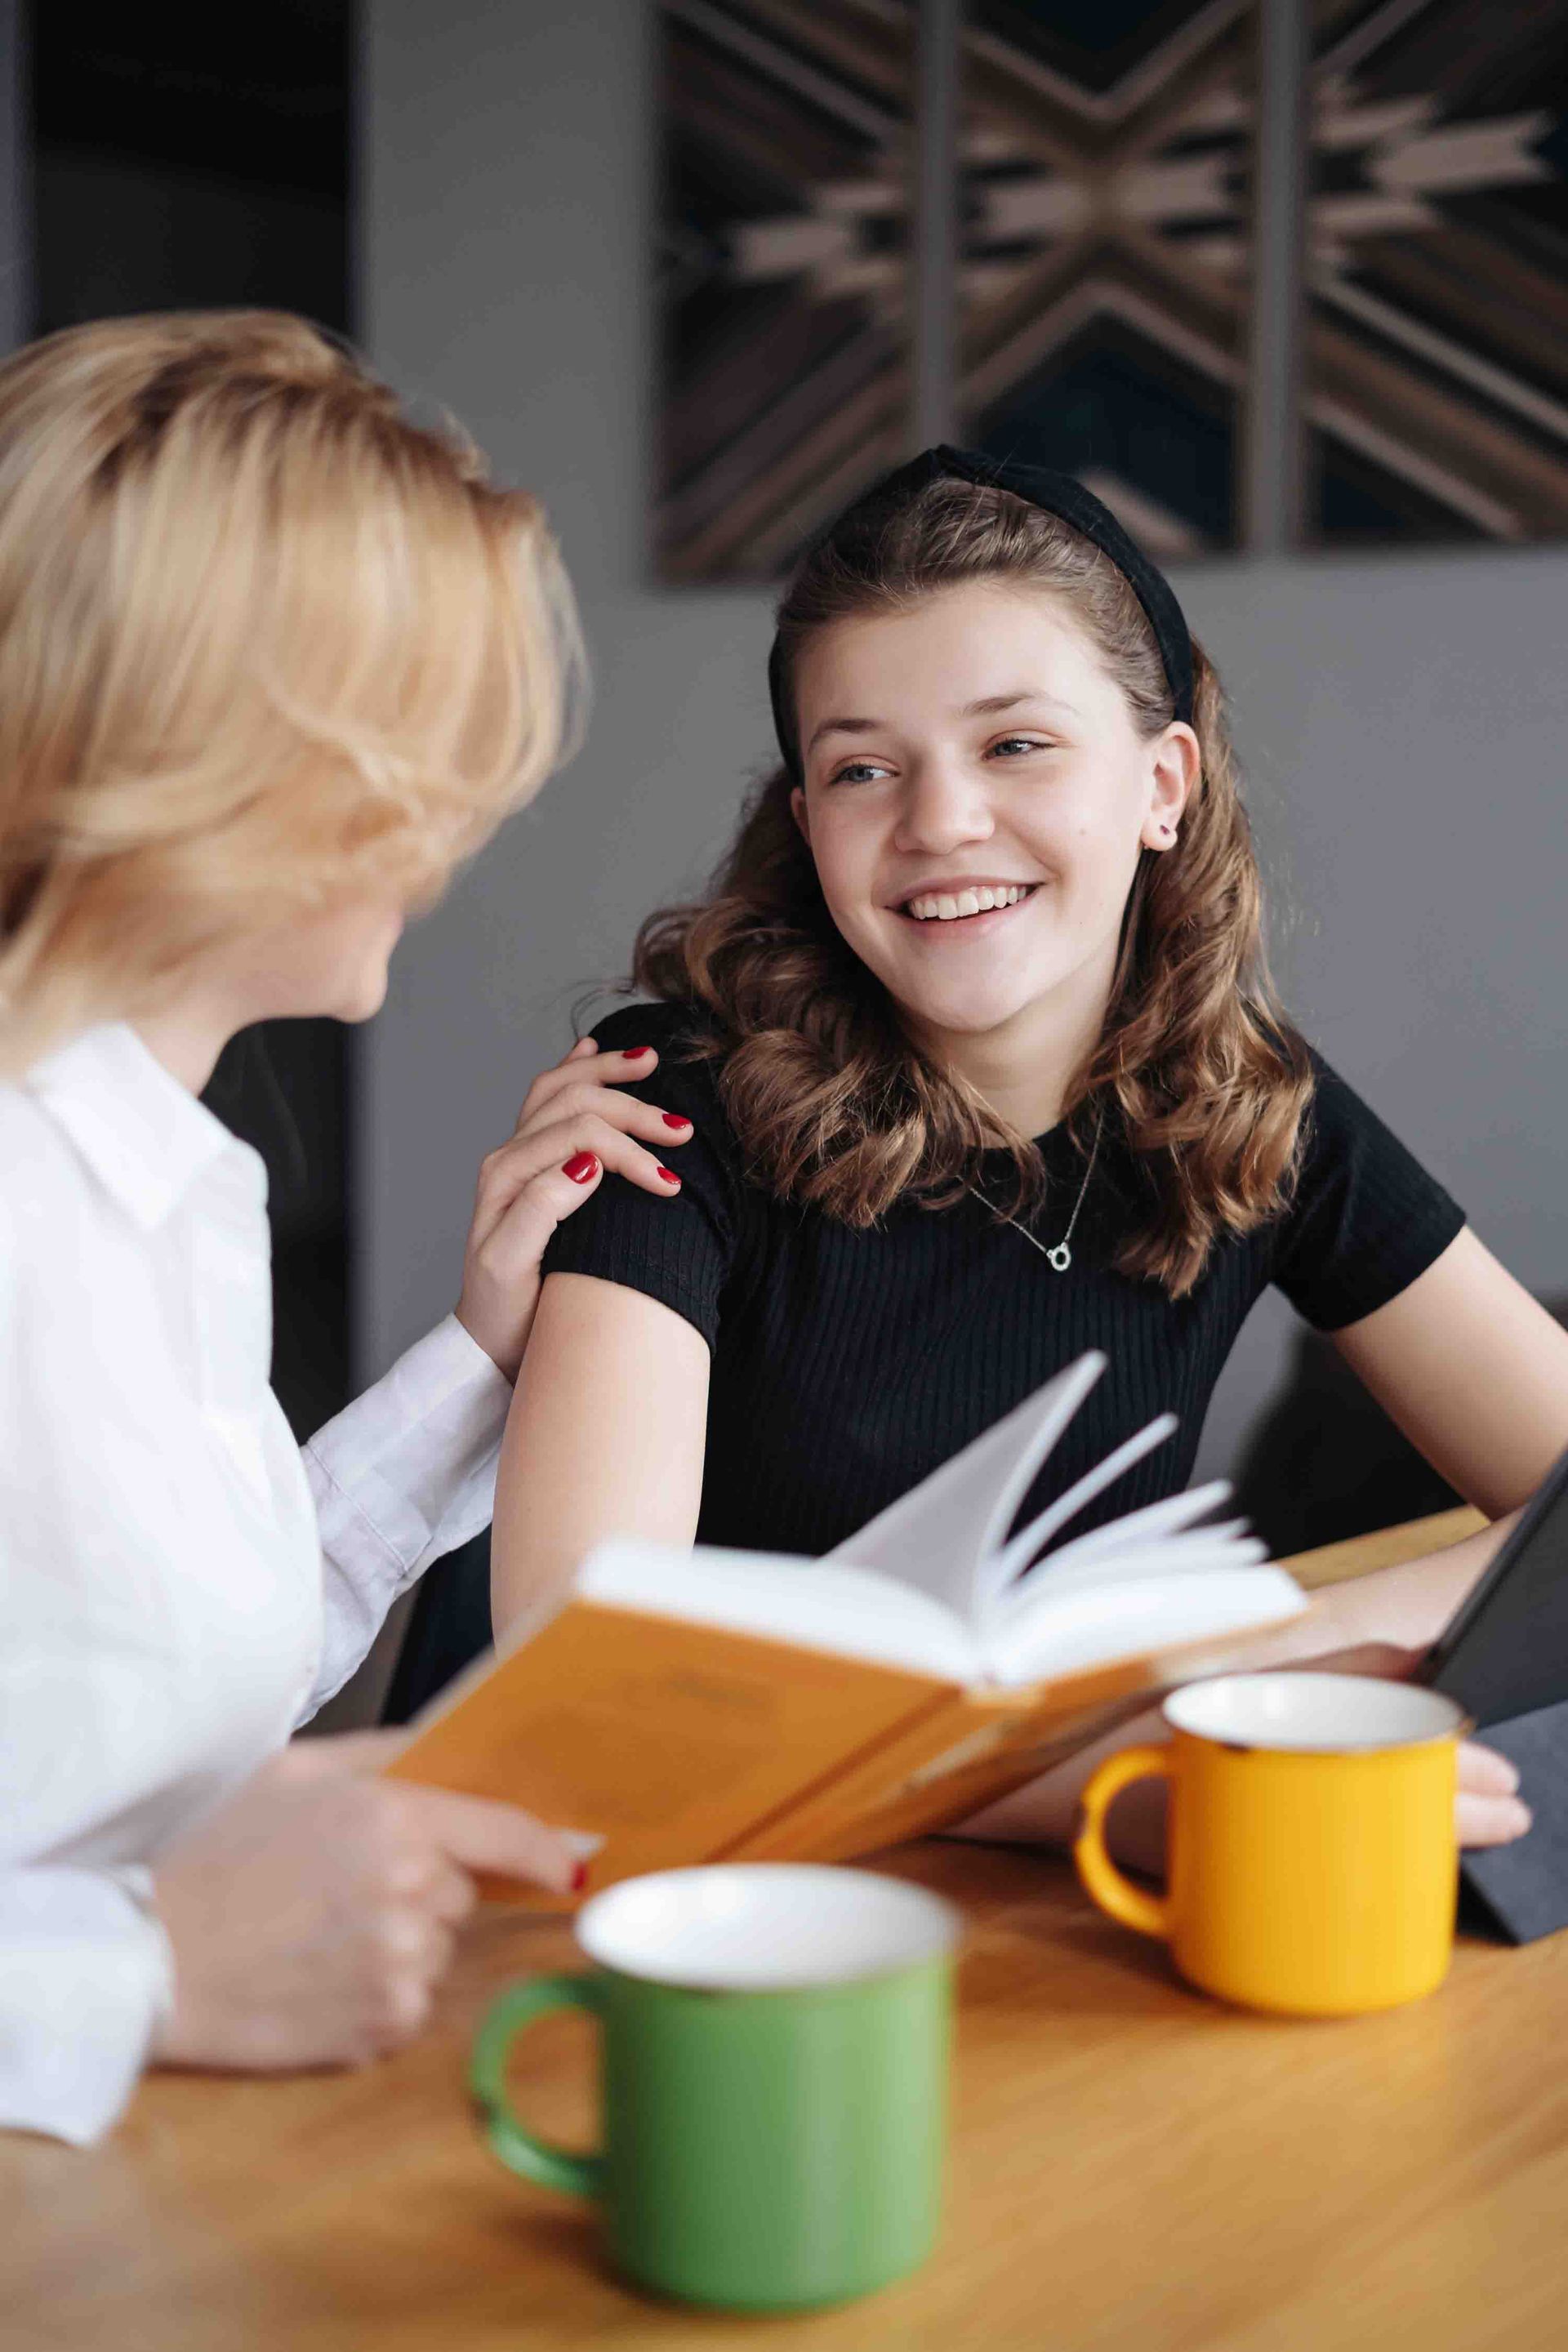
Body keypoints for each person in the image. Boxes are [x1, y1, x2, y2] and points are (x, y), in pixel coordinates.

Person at [492, 445, 1568, 1860]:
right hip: (696, 1893)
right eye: (864, 767)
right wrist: (1179, 1760)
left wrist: (1257, 1674)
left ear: (1161, 783)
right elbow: (600, 1700)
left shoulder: (1257, 1107)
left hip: (1067, 1923)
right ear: (810, 826)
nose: (940, 823)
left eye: (1016, 744)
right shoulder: (669, 1103)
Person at [0, 312, 693, 2143]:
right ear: (229, 758)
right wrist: (136, 1972)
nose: (466, 815)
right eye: (429, 749)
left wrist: (476, 1359)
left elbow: (139, 1687)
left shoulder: (168, 1176)